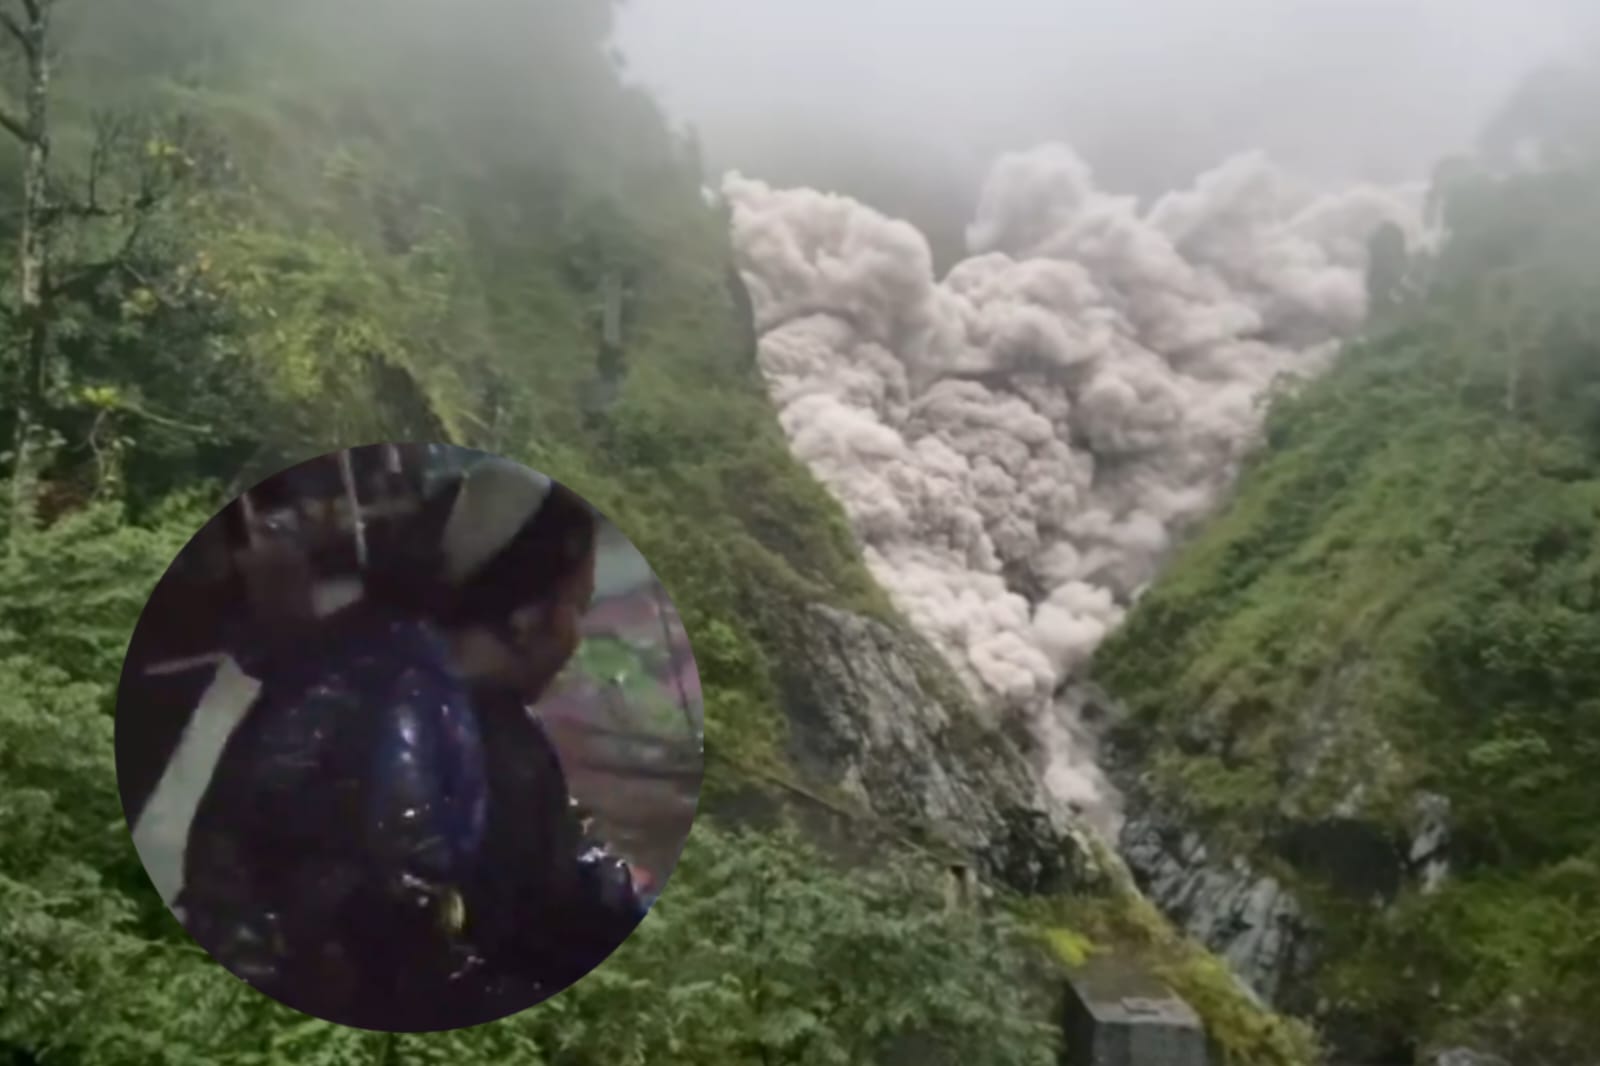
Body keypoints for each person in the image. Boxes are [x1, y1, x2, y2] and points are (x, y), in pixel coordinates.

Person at [173, 452, 643, 1030]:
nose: (577, 634)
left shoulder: (370, 648)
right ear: (526, 620)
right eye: (579, 606)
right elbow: (414, 969)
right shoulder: (431, 722)